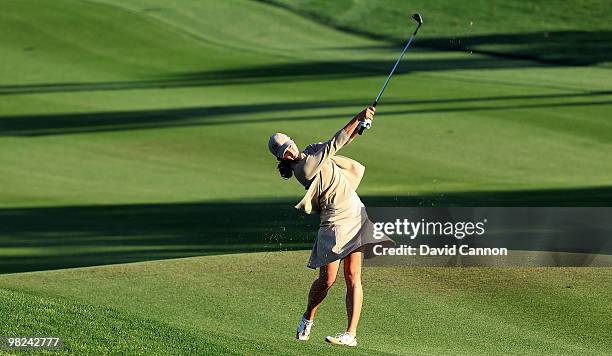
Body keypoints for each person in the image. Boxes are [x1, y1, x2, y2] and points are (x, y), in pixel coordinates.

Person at [267, 106, 394, 347]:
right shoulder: (303, 169)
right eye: (284, 153)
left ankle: (350, 334)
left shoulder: (312, 151)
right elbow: (335, 143)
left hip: (355, 212)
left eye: (289, 147)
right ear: (281, 158)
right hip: (334, 222)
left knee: (353, 276)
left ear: (292, 142)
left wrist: (361, 126)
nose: (290, 152)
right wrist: (357, 117)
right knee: (327, 280)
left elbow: (343, 142)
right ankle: (308, 318)